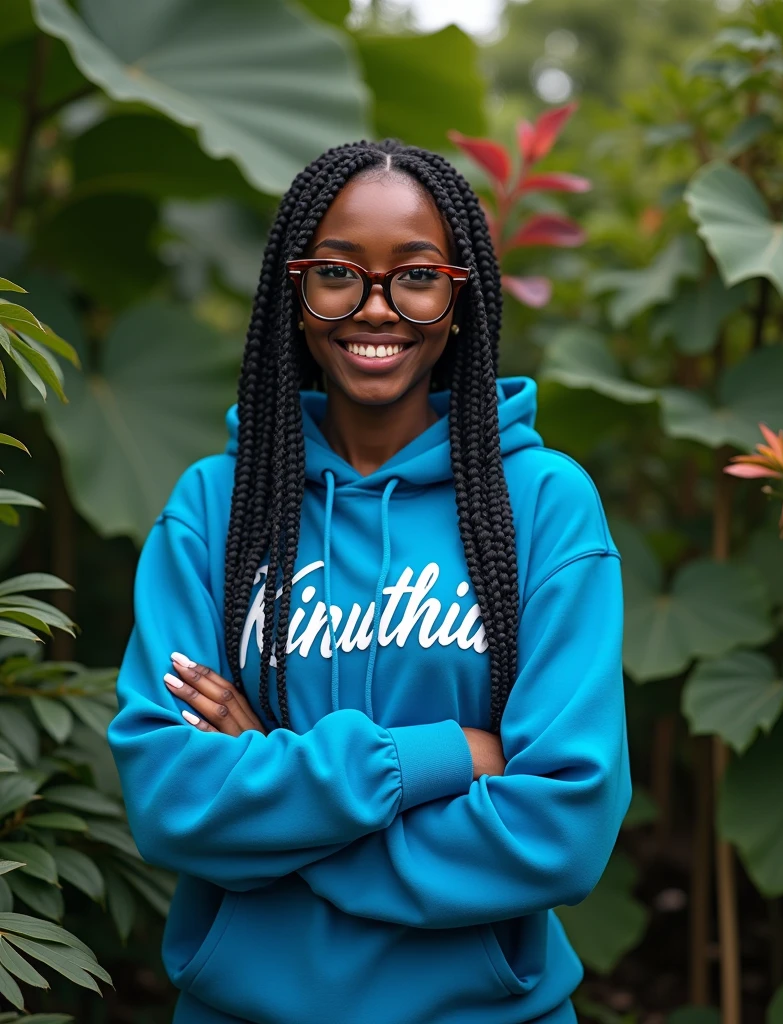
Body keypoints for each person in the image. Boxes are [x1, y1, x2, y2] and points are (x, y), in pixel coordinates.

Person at [107, 138, 631, 1024]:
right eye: (339, 273)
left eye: (416, 276)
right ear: (297, 296)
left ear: (459, 300)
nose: (376, 309)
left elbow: (562, 831)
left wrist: (274, 785)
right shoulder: (214, 508)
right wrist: (445, 754)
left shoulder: (542, 505)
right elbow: (170, 799)